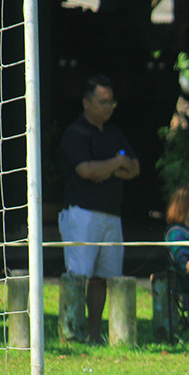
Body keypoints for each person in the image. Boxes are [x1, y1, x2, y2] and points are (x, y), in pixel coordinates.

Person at [59, 74, 140, 343]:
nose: (108, 106)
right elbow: (86, 170)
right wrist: (118, 162)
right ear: (86, 102)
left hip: (111, 216)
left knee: (104, 278)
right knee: (79, 276)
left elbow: (134, 169)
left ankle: (94, 334)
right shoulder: (76, 133)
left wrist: (109, 166)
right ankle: (71, 333)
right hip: (82, 214)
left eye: (111, 102)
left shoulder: (116, 133)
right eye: (103, 101)